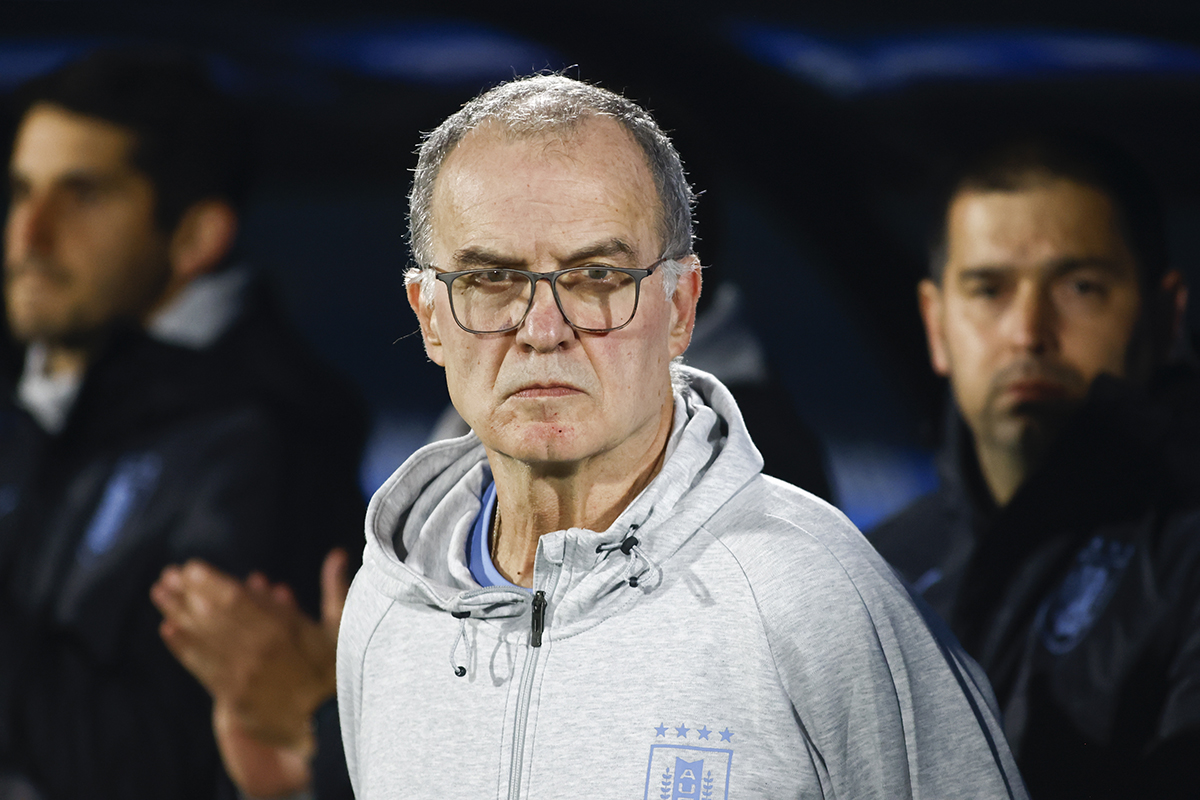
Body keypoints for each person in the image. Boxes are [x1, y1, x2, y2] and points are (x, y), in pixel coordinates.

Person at [336, 74, 1027, 799]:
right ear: (429, 316)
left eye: (596, 276)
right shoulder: (385, 611)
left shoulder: (817, 596)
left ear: (681, 308)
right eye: (492, 280)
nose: (542, 329)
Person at [0, 49, 366, 800]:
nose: (29, 236)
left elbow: (162, 766)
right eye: (22, 192)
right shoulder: (51, 391)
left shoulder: (267, 438)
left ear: (195, 237)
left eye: (83, 195)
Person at [868, 133, 1200, 798]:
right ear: (936, 324)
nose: (1027, 332)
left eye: (1080, 287)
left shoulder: (1186, 557)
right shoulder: (877, 568)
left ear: (1165, 317)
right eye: (988, 289)